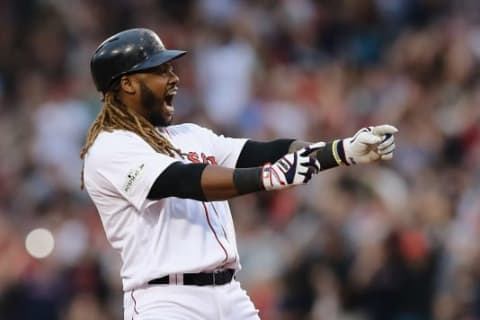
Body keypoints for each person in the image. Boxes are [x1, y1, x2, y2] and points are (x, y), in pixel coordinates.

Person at [80, 28, 398, 320]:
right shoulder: (109, 147)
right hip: (166, 300)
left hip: (230, 294)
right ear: (127, 83)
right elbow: (184, 180)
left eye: (171, 69)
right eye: (160, 70)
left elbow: (264, 152)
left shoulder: (189, 135)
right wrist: (268, 177)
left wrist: (339, 152)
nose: (173, 78)